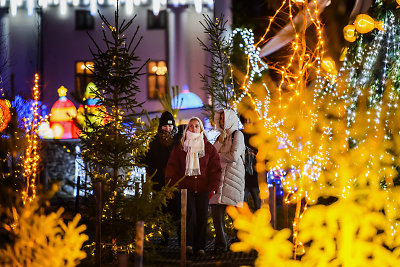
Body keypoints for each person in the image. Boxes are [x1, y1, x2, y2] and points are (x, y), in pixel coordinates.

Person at [165, 117, 222, 256]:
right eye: (191, 126)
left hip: (203, 187)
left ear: (201, 128)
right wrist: (171, 186)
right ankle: (188, 244)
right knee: (189, 215)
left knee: (202, 217)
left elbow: (215, 168)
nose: (194, 128)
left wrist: (213, 186)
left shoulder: (208, 148)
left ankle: (200, 246)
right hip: (186, 188)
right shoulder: (180, 147)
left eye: (197, 126)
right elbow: (172, 168)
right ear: (187, 128)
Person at [142, 111, 181, 244]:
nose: (168, 128)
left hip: (176, 182)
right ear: (161, 126)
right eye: (165, 126)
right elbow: (149, 161)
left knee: (178, 211)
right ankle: (164, 239)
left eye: (170, 126)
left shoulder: (178, 140)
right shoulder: (154, 141)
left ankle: (182, 239)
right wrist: (153, 177)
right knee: (162, 212)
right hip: (159, 182)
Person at [210, 109, 246, 253]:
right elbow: (212, 155)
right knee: (216, 212)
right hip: (219, 180)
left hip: (233, 179)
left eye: (225, 118)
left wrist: (219, 155)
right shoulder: (220, 137)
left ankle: (241, 242)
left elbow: (234, 156)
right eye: (221, 118)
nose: (223, 121)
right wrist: (220, 142)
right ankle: (220, 245)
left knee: (235, 216)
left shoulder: (238, 135)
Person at [240, 115, 261, 211]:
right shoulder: (239, 135)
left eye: (250, 120)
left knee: (258, 205)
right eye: (246, 120)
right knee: (242, 205)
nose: (248, 122)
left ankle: (260, 225)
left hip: (256, 176)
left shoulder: (258, 136)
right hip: (242, 176)